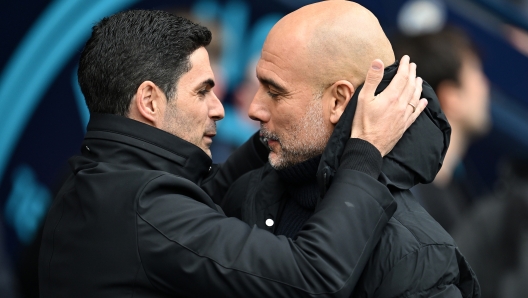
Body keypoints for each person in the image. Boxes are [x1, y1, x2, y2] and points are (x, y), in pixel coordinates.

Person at [38, 9, 425, 297]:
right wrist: (365, 150)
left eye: (273, 91)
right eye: (202, 91)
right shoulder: (146, 210)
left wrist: (278, 129)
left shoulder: (95, 180)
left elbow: (205, 199)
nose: (219, 107)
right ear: (150, 101)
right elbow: (313, 276)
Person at [221, 2, 480, 297]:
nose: (255, 108)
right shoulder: (246, 191)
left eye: (275, 91)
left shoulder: (415, 256)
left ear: (338, 101)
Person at [393, 27, 491, 233]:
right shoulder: (411, 204)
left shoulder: (458, 196)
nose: (485, 86)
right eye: (476, 74)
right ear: (451, 98)